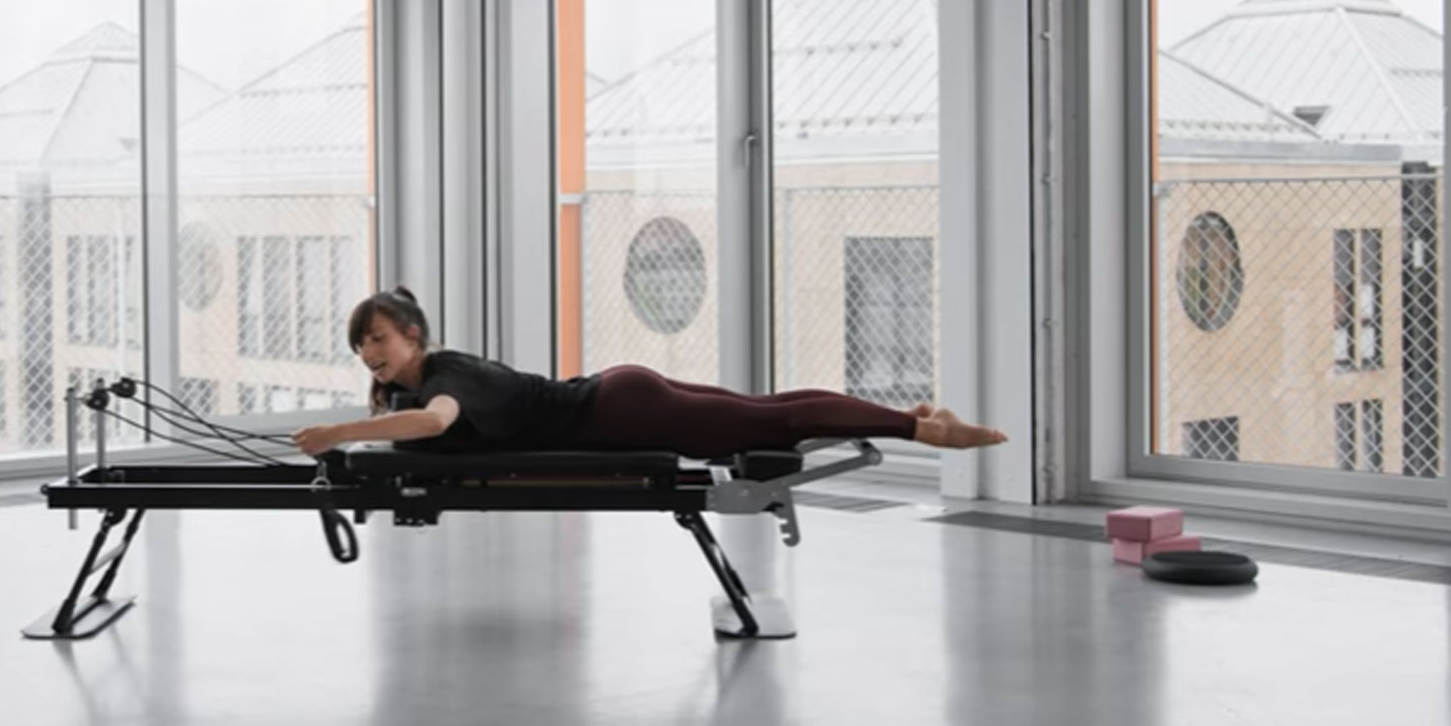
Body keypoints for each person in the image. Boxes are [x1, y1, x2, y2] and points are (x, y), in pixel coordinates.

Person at [291, 287, 1007, 461]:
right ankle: (912, 415)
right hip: (618, 391)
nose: (370, 354)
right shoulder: (419, 378)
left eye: (378, 339)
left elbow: (433, 423)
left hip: (620, 411)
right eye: (362, 347)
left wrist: (340, 432)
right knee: (769, 406)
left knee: (776, 418)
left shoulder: (446, 374)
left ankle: (924, 431)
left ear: (412, 335)